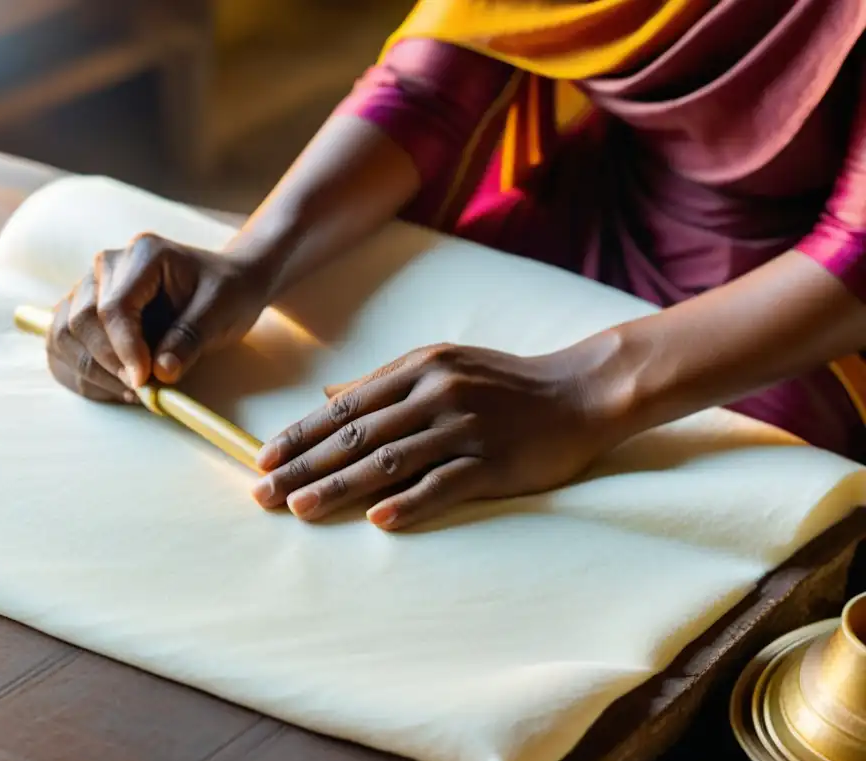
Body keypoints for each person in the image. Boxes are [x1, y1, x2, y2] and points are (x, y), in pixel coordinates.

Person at [46, 0, 866, 531]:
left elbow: (853, 256)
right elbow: (433, 88)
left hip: (798, 316)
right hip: (578, 208)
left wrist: (581, 389)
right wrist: (251, 261)